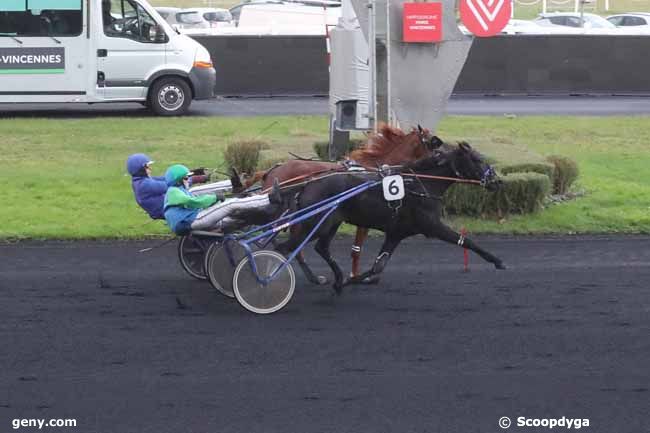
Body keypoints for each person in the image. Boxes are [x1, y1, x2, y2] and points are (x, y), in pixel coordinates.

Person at [163, 164, 282, 235]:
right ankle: (269, 199)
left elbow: (194, 203)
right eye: (186, 178)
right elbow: (195, 202)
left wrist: (213, 200)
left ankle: (263, 215)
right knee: (230, 204)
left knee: (235, 219)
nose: (189, 180)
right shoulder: (173, 192)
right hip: (190, 221)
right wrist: (215, 197)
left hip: (189, 221)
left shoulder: (177, 190)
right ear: (178, 180)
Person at [126, 153, 237, 220]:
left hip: (169, 205)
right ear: (140, 169)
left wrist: (190, 172)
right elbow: (171, 184)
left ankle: (231, 185)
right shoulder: (144, 185)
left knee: (194, 191)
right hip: (171, 209)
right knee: (194, 192)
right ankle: (232, 186)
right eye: (147, 167)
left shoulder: (142, 181)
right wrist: (196, 178)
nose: (150, 169)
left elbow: (166, 178)